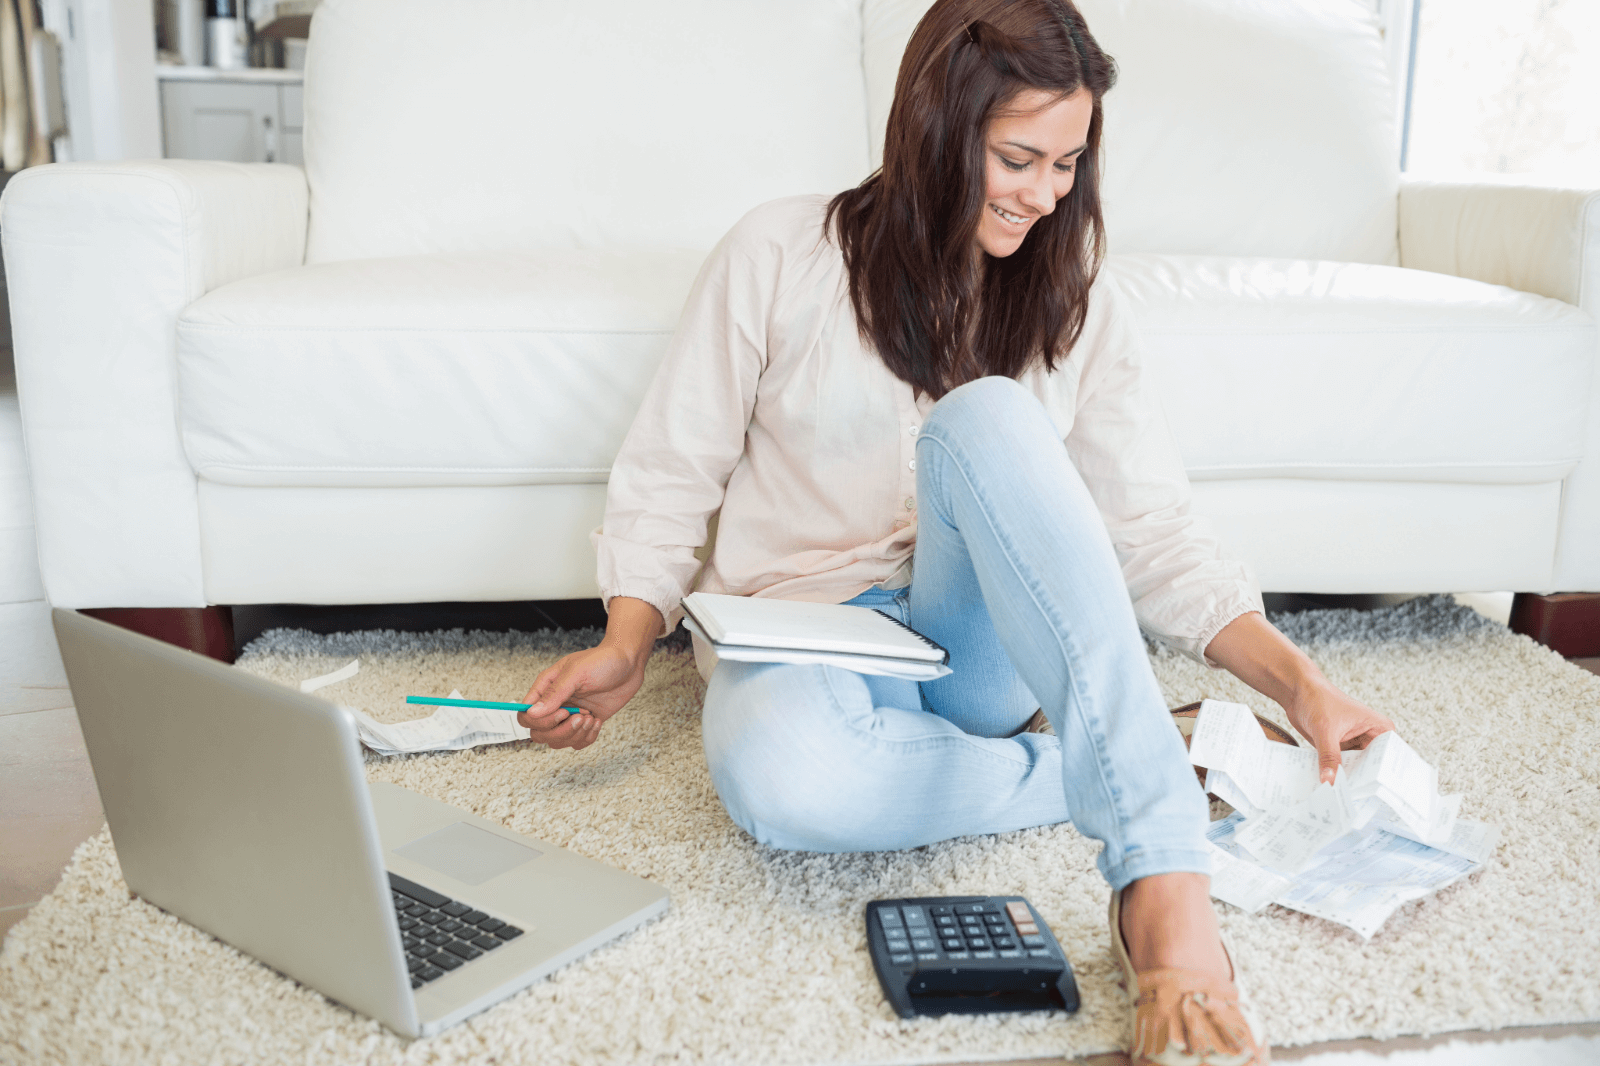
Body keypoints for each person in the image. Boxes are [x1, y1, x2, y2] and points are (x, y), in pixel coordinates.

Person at [517, 1, 1393, 1062]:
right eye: (1017, 159)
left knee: (987, 415)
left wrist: (1298, 682)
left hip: (977, 655)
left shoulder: (1076, 300)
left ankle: (1160, 870)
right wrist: (626, 640)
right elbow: (671, 468)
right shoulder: (777, 252)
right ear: (935, 126)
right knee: (786, 781)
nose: (1044, 194)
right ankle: (1136, 750)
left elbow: (1152, 528)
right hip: (805, 636)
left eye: (1067, 163)